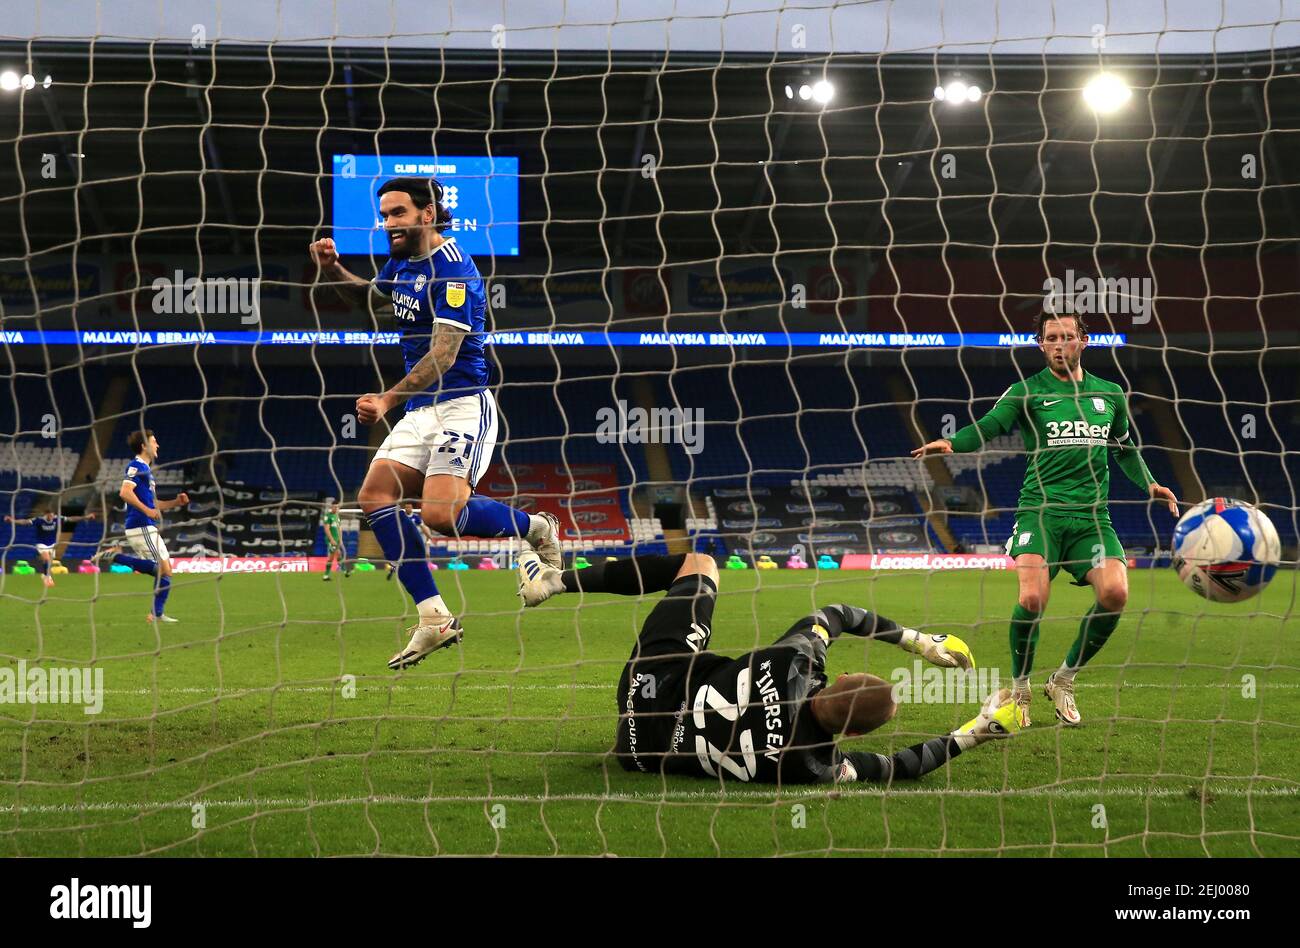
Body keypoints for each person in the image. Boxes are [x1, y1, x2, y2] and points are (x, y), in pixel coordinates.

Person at [309, 177, 561, 670]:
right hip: (421, 410)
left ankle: (536, 525)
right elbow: (373, 298)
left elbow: (443, 355)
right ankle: (434, 618)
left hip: (464, 404)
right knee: (374, 496)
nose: (388, 224)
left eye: (398, 213)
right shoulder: (401, 262)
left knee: (439, 516)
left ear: (428, 214)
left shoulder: (453, 270)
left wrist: (386, 399)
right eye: (384, 215)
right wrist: (333, 268)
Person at [517, 551, 1019, 784]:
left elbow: (840, 614)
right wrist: (978, 729)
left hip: (651, 682)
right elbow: (898, 768)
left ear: (840, 679)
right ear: (851, 733)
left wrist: (919, 642)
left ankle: (555, 580)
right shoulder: (813, 766)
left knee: (698, 565)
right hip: (638, 752)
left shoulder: (796, 660)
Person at [912, 313, 1179, 726]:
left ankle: (1063, 680)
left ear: (1083, 341)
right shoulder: (1027, 392)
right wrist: (952, 441)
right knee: (1033, 599)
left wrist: (1151, 484)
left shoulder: (1110, 395)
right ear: (1040, 344)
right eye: (1051, 338)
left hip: (1092, 518)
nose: (1059, 345)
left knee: (1115, 595)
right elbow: (990, 426)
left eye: (1067, 337)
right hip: (1040, 513)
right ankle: (1020, 689)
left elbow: (1124, 449)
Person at [95, 429, 189, 623]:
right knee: (163, 570)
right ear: (144, 446)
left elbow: (154, 504)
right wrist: (146, 511)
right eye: (154, 442)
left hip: (146, 525)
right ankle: (116, 556)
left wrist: (176, 502)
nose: (158, 445)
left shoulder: (147, 472)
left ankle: (156, 613)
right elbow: (125, 492)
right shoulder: (136, 466)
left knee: (165, 570)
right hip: (141, 525)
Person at [4, 509, 97, 587]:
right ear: (45, 515)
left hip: (52, 544)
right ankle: (47, 577)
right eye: (49, 516)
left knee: (48, 562)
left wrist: (86, 517)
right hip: (41, 544)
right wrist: (13, 520)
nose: (51, 517)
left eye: (52, 515)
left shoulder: (57, 518)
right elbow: (25, 522)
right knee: (47, 559)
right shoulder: (39, 520)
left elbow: (71, 519)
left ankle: (44, 575)